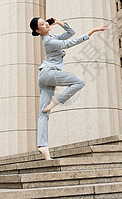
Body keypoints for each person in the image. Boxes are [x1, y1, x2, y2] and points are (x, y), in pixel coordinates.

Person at [30, 17, 108, 160]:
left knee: (43, 113)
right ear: (37, 30)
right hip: (49, 73)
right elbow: (69, 42)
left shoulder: (51, 36)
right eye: (42, 24)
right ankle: (56, 101)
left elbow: (70, 32)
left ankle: (43, 147)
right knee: (79, 82)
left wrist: (60, 23)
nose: (46, 24)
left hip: (44, 76)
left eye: (45, 21)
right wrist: (91, 32)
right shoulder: (50, 41)